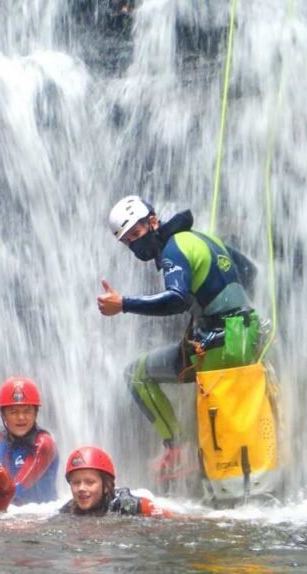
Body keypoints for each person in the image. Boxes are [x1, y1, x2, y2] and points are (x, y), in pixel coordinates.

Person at [97, 196, 258, 481]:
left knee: (136, 375)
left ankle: (178, 448)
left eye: (137, 233)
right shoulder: (202, 238)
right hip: (245, 334)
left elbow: (176, 299)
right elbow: (248, 271)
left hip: (220, 343)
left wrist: (123, 304)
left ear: (153, 221)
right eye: (128, 241)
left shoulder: (173, 250)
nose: (135, 244)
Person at [0, 377, 59, 504]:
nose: (21, 417)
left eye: (27, 411)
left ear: (35, 414)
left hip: (43, 513)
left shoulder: (44, 443)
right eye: (13, 412)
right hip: (10, 509)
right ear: (3, 415)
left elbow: (16, 489)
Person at [60, 446, 172, 517]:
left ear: (106, 486)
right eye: (76, 483)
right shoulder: (69, 509)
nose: (81, 488)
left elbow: (169, 517)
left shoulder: (125, 503)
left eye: (90, 482)